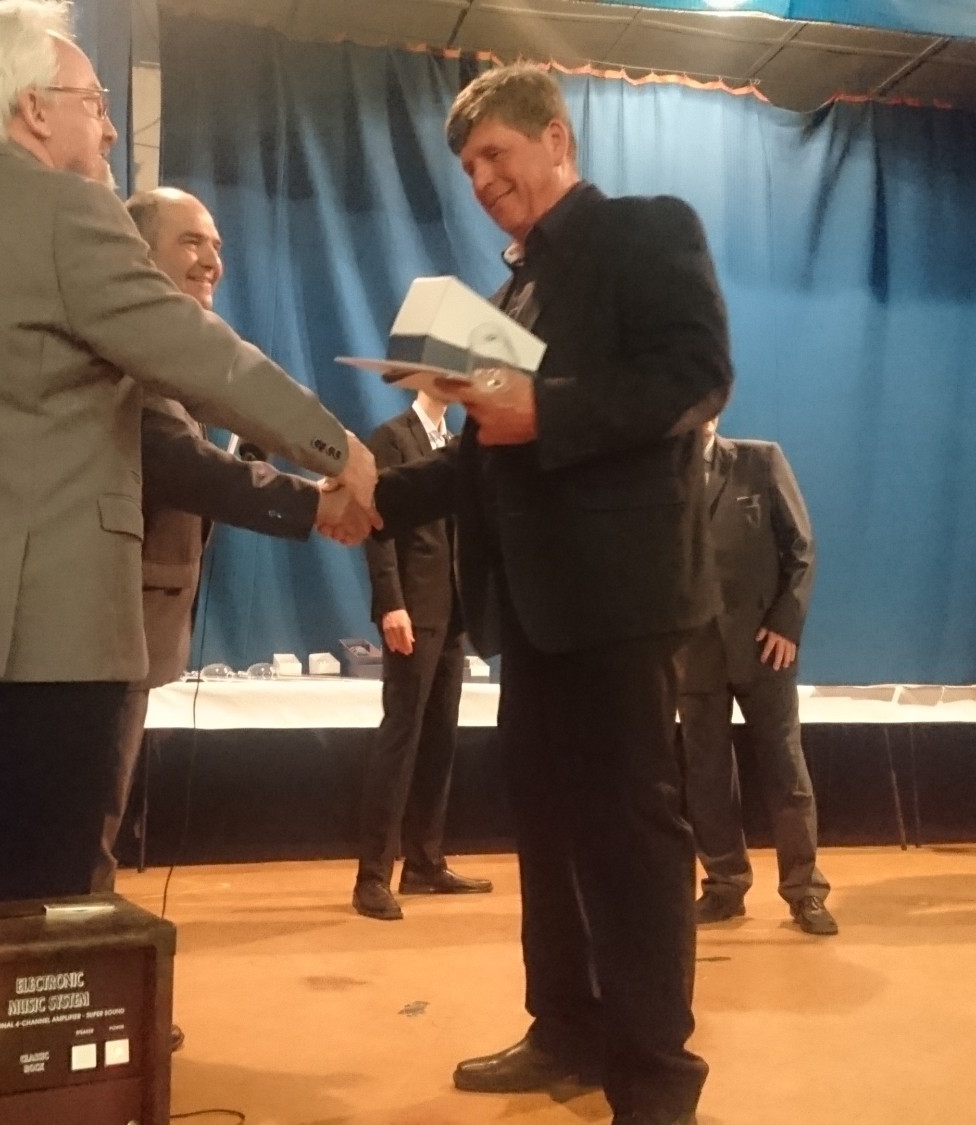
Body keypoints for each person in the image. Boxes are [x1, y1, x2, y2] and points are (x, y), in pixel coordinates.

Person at [0, 0, 376, 911]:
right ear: (33, 109)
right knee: (47, 930)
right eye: (94, 103)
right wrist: (337, 449)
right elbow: (203, 358)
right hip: (48, 647)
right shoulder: (66, 212)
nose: (108, 127)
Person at [376, 64, 731, 1125]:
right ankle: (564, 1030)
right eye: (468, 167)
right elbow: (482, 461)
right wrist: (367, 496)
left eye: (496, 154)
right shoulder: (509, 295)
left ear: (555, 138)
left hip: (620, 596)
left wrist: (550, 409)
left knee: (628, 835)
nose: (483, 179)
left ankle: (655, 1081)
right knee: (546, 829)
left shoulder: (645, 230)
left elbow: (696, 375)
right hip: (532, 608)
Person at [90, 187, 366, 895]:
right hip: (101, 631)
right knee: (86, 830)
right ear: (136, 254)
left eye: (216, 245)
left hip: (126, 632)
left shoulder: (164, 357)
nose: (212, 260)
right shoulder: (128, 354)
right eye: (191, 242)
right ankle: (90, 956)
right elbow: (184, 465)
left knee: (97, 822)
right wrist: (317, 501)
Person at [679, 419, 834, 934]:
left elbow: (801, 549)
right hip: (693, 651)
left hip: (765, 645)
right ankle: (724, 886)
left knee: (785, 767)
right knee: (705, 774)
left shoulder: (760, 460)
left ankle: (805, 891)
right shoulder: (657, 472)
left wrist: (786, 623)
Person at [353, 387, 493, 921]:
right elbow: (378, 522)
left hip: (453, 609)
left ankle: (424, 861)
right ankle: (371, 875)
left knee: (440, 738)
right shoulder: (392, 436)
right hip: (414, 604)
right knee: (402, 736)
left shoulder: (455, 441)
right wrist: (391, 602)